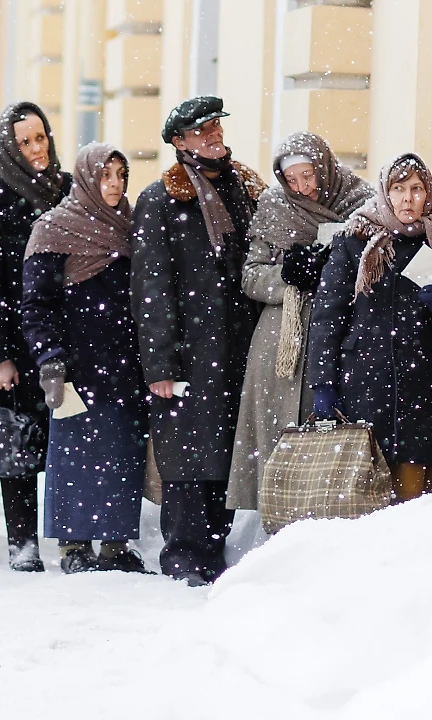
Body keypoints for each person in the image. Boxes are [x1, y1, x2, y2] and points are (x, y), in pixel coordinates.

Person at [131, 96, 264, 587]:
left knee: (226, 450)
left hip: (236, 346)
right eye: (200, 130)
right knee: (188, 455)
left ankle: (214, 548)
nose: (213, 135)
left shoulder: (244, 189)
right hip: (188, 352)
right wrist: (160, 364)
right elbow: (151, 289)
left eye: (216, 127)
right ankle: (184, 553)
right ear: (179, 142)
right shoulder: (161, 200)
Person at [307, 152, 432, 502]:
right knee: (363, 495)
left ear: (428, 193)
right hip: (363, 384)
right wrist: (323, 384)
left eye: (416, 188)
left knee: (412, 497)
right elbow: (327, 318)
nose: (408, 198)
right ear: (385, 191)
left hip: (418, 386)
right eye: (398, 189)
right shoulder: (356, 241)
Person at [226, 132, 373, 511]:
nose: (301, 188)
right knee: (278, 440)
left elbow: (375, 268)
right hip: (281, 344)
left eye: (308, 176)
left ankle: (324, 518)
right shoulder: (275, 207)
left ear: (324, 167)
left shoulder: (361, 203)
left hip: (341, 334)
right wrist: (288, 275)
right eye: (291, 180)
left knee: (330, 445)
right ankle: (276, 521)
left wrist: (334, 269)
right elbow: (250, 275)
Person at [21, 143, 150, 574]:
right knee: (75, 458)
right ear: (86, 178)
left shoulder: (131, 226)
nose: (114, 185)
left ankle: (115, 545)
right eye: (105, 176)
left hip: (125, 362)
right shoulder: (54, 228)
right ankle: (74, 547)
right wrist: (50, 357)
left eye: (120, 176)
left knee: (121, 454)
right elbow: (37, 303)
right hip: (75, 364)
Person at [0, 101, 72, 573]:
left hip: (65, 335)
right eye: (25, 142)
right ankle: (22, 541)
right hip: (14, 338)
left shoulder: (70, 191)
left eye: (41, 138)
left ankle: (71, 534)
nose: (37, 149)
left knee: (67, 436)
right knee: (19, 441)